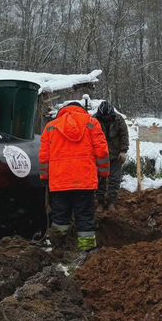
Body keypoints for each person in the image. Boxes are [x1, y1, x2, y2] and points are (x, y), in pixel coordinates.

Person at [39, 102, 110, 252]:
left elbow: (44, 157)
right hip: (84, 181)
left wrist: (45, 177)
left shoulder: (51, 127)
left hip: (59, 182)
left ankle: (57, 249)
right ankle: (87, 251)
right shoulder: (92, 123)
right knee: (85, 216)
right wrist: (103, 173)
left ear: (62, 112)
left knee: (60, 218)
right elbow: (102, 151)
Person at [93, 100, 129, 211]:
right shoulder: (94, 120)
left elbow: (124, 135)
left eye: (107, 117)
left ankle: (111, 202)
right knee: (100, 179)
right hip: (100, 154)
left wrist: (123, 151)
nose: (105, 119)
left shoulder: (118, 119)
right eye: (103, 117)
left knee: (114, 179)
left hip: (115, 154)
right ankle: (100, 201)